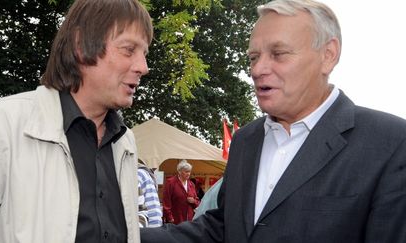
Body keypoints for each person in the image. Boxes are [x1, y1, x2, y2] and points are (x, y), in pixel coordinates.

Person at [140, 0, 406, 242]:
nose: (257, 70)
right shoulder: (246, 141)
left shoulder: (390, 143)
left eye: (278, 54)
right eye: (253, 57)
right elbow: (222, 228)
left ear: (328, 55)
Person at [0, 0, 153, 242]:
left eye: (145, 53)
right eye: (128, 50)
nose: (143, 67)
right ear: (81, 46)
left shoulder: (126, 143)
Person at [162, 159, 200, 224]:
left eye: (189, 172)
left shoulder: (191, 184)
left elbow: (197, 202)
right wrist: (170, 218)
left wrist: (193, 201)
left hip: (189, 220)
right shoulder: (170, 182)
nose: (188, 174)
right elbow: (166, 202)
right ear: (179, 171)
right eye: (186, 171)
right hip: (176, 220)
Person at [137, 161, 163, 227]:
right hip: (149, 229)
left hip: (148, 229)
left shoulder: (140, 173)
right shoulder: (141, 173)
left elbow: (153, 209)